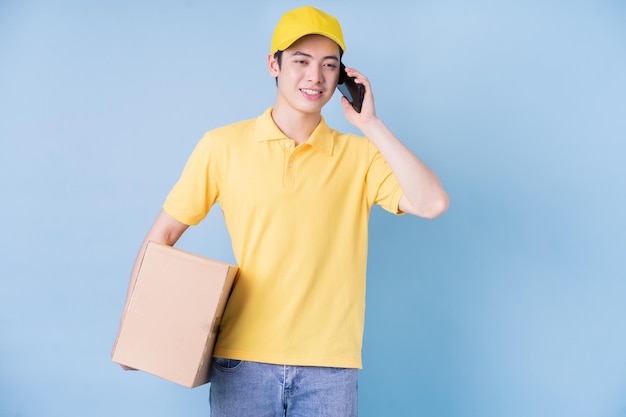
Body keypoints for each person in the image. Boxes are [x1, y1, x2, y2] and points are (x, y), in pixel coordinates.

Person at [117, 5, 449, 417]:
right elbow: (161, 236)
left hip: (330, 368)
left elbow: (433, 203)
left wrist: (371, 124)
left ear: (342, 77)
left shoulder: (361, 156)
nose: (315, 76)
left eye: (330, 65)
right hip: (241, 362)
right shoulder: (222, 146)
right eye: (301, 61)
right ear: (273, 64)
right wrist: (133, 331)